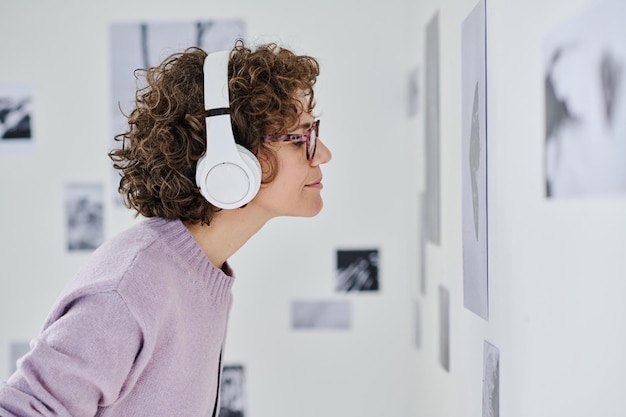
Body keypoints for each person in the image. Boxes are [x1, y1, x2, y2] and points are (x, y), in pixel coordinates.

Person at [0, 39, 331, 417]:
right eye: (299, 137)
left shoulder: (200, 275)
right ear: (230, 159)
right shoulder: (129, 287)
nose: (322, 153)